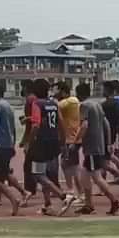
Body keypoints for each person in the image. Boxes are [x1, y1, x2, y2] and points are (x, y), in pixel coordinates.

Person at [26, 79, 73, 215]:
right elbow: (61, 123)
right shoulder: (54, 104)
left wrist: (29, 141)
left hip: (41, 142)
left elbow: (36, 125)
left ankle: (63, 196)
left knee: (38, 174)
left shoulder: (37, 104)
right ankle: (47, 204)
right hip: (54, 140)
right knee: (47, 174)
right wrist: (63, 142)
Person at [76, 82, 119, 215]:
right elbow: (106, 124)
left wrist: (76, 141)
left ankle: (114, 201)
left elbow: (84, 125)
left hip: (91, 147)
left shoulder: (84, 106)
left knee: (96, 177)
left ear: (79, 94)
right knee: (85, 175)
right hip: (98, 145)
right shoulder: (97, 104)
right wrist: (107, 143)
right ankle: (88, 204)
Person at [0, 83, 24, 213]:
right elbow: (12, 127)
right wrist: (13, 143)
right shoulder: (8, 106)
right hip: (8, 143)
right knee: (4, 173)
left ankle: (12, 198)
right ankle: (3, 196)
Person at [55, 81, 83, 194]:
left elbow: (55, 106)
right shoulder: (71, 101)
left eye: (55, 90)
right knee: (70, 164)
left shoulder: (69, 101)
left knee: (71, 166)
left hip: (71, 138)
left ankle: (75, 191)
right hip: (71, 137)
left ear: (62, 91)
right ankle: (75, 190)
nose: (53, 92)